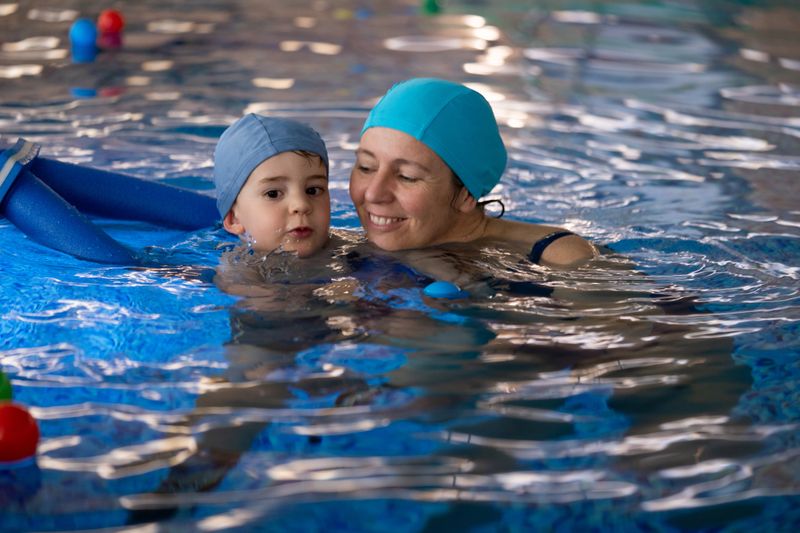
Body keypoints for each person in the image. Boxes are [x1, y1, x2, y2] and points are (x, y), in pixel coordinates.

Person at [350, 77, 597, 271]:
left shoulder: (560, 257)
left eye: (407, 176)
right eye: (366, 167)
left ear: (466, 193)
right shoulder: (338, 245)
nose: (373, 194)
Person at [213, 113, 331, 260]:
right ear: (234, 219)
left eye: (312, 190)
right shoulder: (240, 273)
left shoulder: (351, 249)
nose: (301, 205)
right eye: (273, 194)